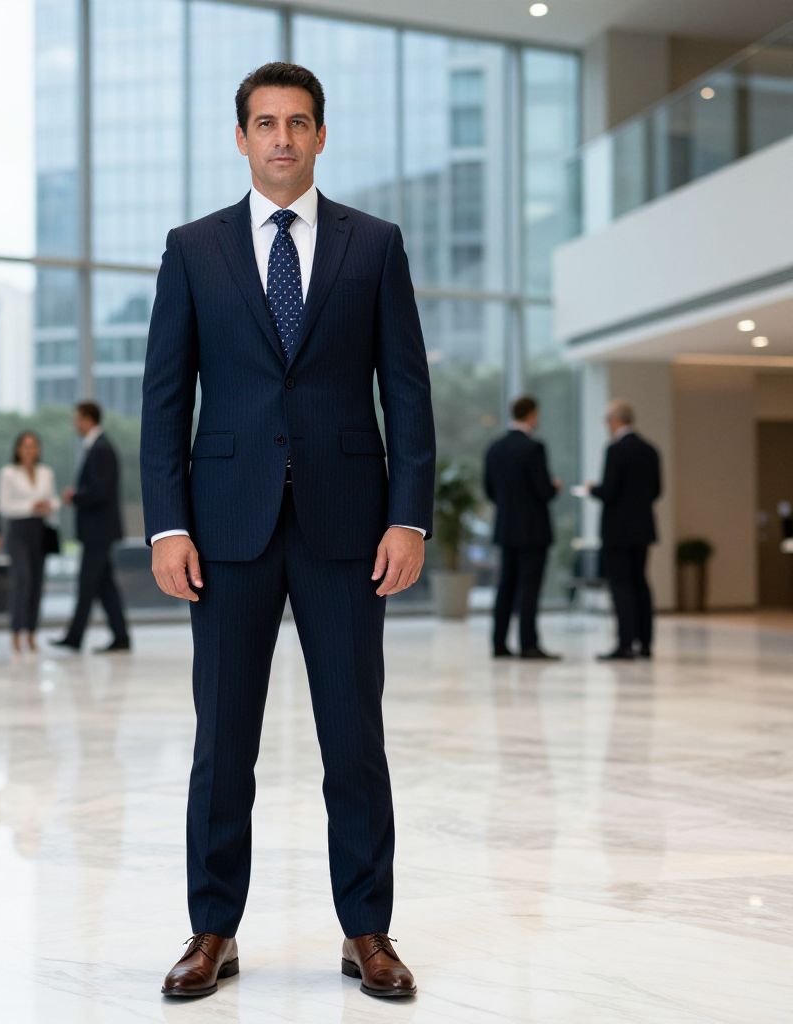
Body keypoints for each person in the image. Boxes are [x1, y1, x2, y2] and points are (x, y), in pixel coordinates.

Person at [141, 63, 435, 1000]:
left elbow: (409, 391)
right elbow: (162, 400)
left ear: (319, 135)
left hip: (350, 526)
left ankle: (368, 931)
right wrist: (165, 526)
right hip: (225, 528)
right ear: (240, 138)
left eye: (297, 123)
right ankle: (211, 930)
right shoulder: (193, 249)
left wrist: (410, 514)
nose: (280, 139)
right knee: (223, 740)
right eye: (263, 123)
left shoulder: (375, 244)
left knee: (354, 737)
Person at [484, 395, 562, 660]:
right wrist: (554, 487)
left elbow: (489, 490)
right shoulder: (533, 448)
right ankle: (528, 644)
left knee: (505, 586)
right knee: (529, 588)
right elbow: (543, 491)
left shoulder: (495, 447)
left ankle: (499, 643)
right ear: (531, 414)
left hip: (506, 528)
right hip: (533, 530)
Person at [584, 399, 662, 661]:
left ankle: (625, 643)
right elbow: (657, 491)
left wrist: (590, 489)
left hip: (618, 531)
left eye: (607, 420)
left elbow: (609, 491)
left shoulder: (615, 450)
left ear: (616, 420)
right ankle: (646, 642)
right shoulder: (650, 450)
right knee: (640, 583)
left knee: (621, 586)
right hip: (642, 529)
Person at [52, 401, 130, 653]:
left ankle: (75, 637)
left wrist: (74, 496)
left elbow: (100, 490)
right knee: (105, 586)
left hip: (99, 530)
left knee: (87, 584)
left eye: (77, 419)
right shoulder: (98, 447)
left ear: (88, 419)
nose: (75, 424)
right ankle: (121, 637)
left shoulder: (101, 449)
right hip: (99, 530)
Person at [0, 431, 60, 653]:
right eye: (25, 446)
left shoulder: (46, 472)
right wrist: (31, 506)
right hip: (18, 531)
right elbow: (4, 506)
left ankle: (31, 632)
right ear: (17, 449)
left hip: (40, 530)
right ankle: (16, 631)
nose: (30, 450)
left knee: (36, 583)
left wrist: (49, 505)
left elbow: (54, 499)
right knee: (22, 580)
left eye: (33, 446)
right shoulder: (8, 473)